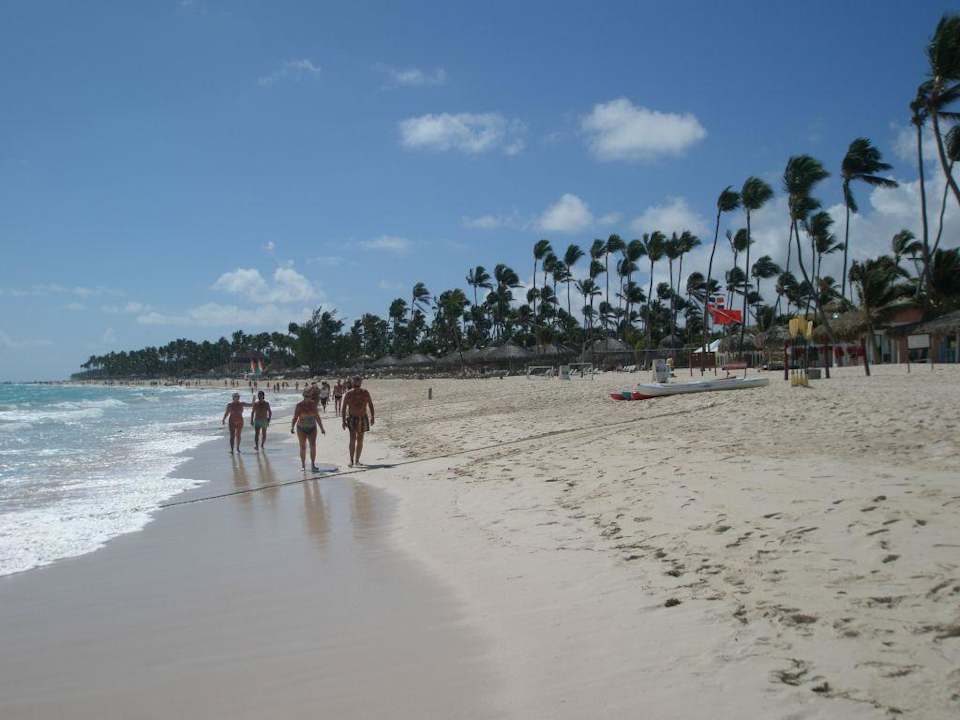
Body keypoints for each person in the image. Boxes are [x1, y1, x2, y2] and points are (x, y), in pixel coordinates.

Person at [341, 375, 374, 467]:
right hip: (352, 418)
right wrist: (343, 421)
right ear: (352, 382)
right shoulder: (349, 394)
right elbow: (343, 408)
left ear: (361, 382)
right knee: (352, 439)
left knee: (360, 439)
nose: (357, 383)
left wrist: (373, 416)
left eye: (358, 381)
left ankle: (357, 460)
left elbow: (370, 404)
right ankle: (351, 460)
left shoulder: (365, 392)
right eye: (355, 381)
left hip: (363, 417)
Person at [291, 390, 325, 472]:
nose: (308, 398)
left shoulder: (313, 404)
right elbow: (295, 417)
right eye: (306, 396)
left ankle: (313, 464)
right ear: (303, 396)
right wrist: (292, 427)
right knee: (303, 447)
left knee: (313, 446)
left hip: (312, 427)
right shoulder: (299, 405)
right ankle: (303, 465)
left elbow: (317, 417)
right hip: (301, 428)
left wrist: (322, 428)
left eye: (309, 396)